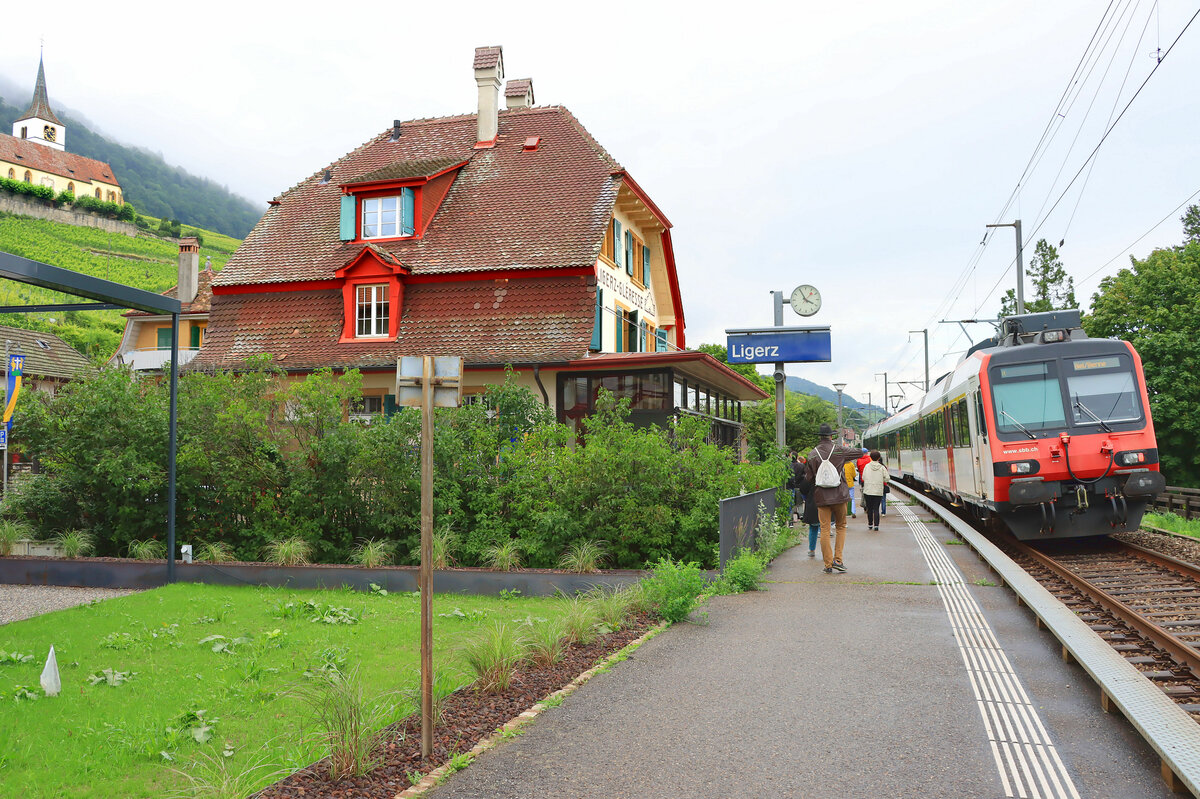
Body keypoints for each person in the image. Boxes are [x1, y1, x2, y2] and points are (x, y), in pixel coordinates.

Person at [805, 423, 861, 573]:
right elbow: (858, 452)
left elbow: (808, 478)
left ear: (820, 436)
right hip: (839, 495)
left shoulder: (812, 453)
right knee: (841, 526)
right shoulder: (839, 450)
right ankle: (838, 560)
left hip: (821, 497)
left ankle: (828, 564)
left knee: (824, 529)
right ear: (831, 436)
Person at [861, 450, 890, 530]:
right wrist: (881, 480)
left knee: (869, 508)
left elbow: (863, 477)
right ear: (879, 458)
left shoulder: (867, 466)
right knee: (876, 508)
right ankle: (876, 525)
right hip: (878, 491)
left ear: (870, 457)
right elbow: (887, 478)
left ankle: (870, 524)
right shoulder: (882, 467)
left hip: (868, 490)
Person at [796, 465, 820, 557]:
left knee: (813, 528)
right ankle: (826, 551)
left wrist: (807, 498)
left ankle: (812, 549)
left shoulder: (808, 477)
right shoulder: (825, 474)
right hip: (825, 503)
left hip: (812, 503)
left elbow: (803, 490)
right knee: (825, 529)